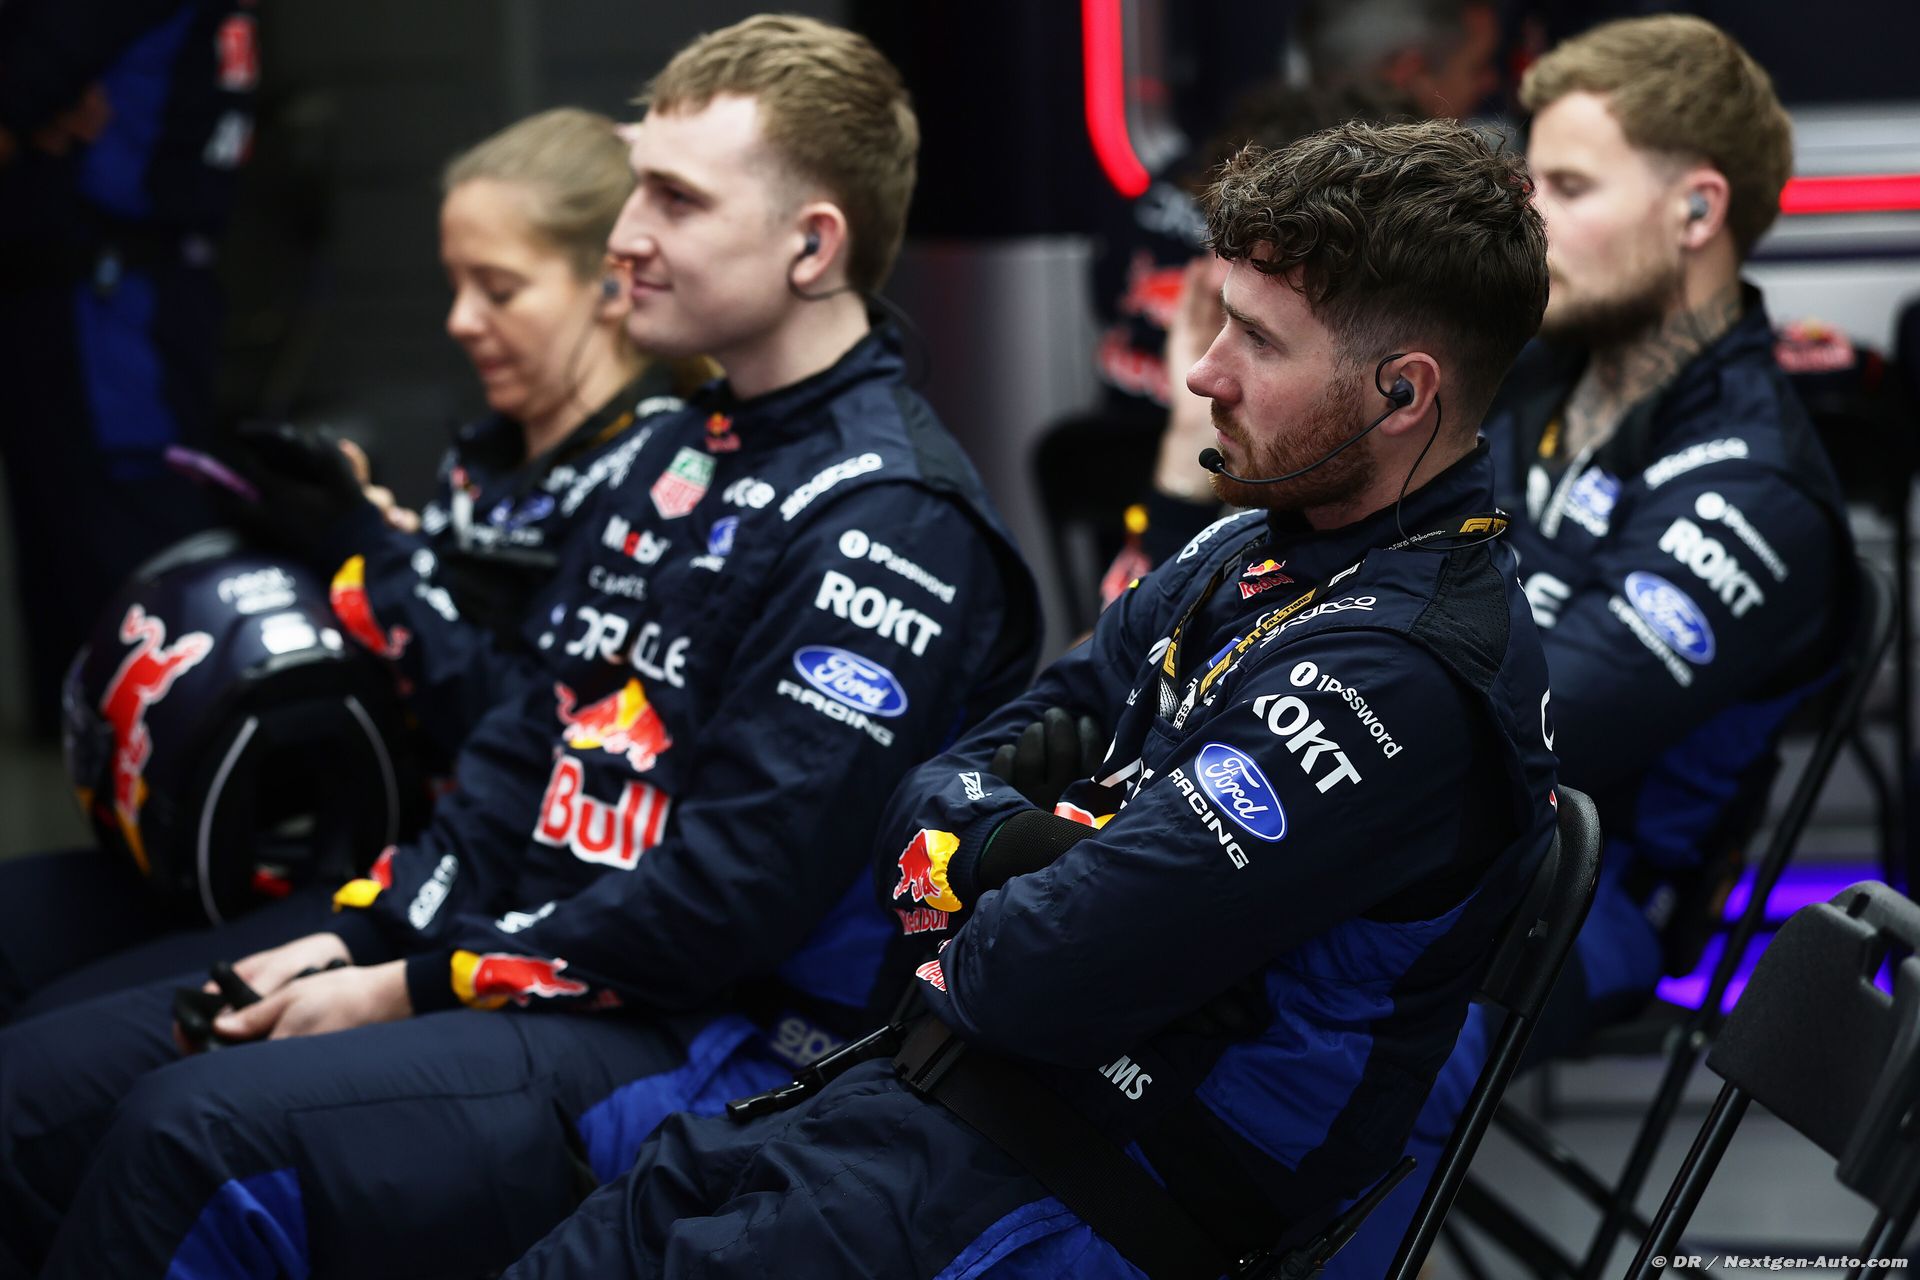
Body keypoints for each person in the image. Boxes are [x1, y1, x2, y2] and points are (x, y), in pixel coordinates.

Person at [0, 16, 1041, 1280]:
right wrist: (366, 933)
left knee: (187, 1135)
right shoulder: (680, 449)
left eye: (676, 199)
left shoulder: (894, 520)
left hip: (725, 1044)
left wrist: (409, 983)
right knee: (35, 1086)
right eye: (635, 186)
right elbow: (516, 763)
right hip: (537, 961)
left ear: (811, 245)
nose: (626, 234)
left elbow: (720, 907)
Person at [499, 115, 1557, 1280]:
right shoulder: (1249, 549)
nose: (1202, 372)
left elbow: (1033, 974)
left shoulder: (1406, 673)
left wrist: (1005, 865)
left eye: (1256, 339)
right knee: (599, 1232)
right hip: (939, 1101)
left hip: (1098, 1192)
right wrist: (1034, 852)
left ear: (1402, 392)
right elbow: (938, 781)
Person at [1322, 17, 1853, 1275]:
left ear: (1696, 210)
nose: (1531, 222)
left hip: (1584, 893)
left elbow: (1552, 717)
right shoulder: (1537, 384)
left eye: (1566, 188)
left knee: (1325, 1033)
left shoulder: (1757, 481)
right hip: (1423, 827)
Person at [0, 107, 702, 1024]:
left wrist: (368, 550)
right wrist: (304, 544)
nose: (461, 321)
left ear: (612, 286)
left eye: (498, 290)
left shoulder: (658, 481)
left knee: (51, 1042)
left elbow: (530, 733)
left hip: (460, 895)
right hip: (352, 833)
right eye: (455, 285)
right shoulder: (489, 457)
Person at [0, 0, 258, 737]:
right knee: (80, 552)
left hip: (114, 292)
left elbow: (22, 85)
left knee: (133, 546)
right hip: (115, 280)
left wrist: (24, 117)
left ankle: (171, 751)